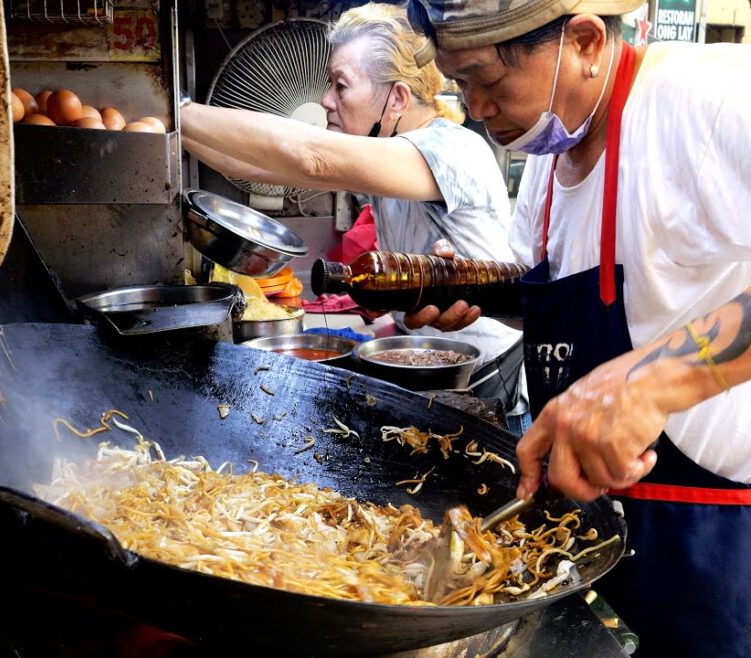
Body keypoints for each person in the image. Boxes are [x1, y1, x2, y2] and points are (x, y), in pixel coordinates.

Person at [402, 1, 751, 656]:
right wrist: (481, 291)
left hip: (716, 548)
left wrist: (651, 383)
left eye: (488, 83)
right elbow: (603, 299)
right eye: (460, 85)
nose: (475, 108)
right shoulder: (551, 154)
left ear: (582, 41)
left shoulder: (703, 98)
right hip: (589, 537)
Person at [179, 3, 527, 430]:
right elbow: (249, 167)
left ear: (397, 98)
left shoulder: (451, 150)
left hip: (485, 375)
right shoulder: (388, 154)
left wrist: (181, 111)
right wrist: (170, 130)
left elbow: (311, 158)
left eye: (340, 86)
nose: (325, 100)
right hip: (430, 360)